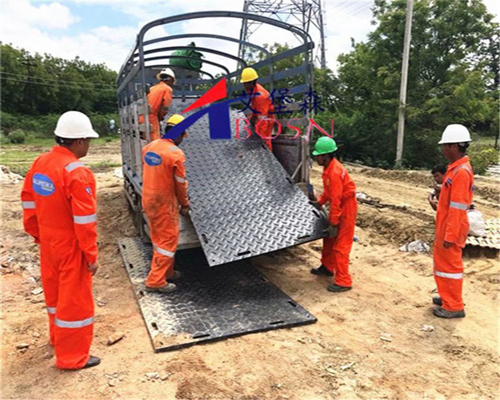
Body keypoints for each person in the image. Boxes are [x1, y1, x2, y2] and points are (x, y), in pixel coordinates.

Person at [21, 111, 100, 369]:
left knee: (55, 298)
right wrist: (90, 255)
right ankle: (72, 357)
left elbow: (28, 202)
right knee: (74, 304)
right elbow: (85, 222)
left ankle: (58, 339)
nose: (89, 144)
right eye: (88, 139)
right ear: (77, 141)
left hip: (49, 244)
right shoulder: (78, 173)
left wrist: (38, 235)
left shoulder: (41, 163)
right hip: (71, 247)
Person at [142, 114, 190, 293]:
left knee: (158, 239)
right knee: (168, 240)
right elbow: (180, 183)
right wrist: (184, 204)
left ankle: (167, 271)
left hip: (149, 198)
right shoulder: (176, 154)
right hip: (164, 202)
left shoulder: (150, 147)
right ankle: (155, 280)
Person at [432, 124, 473, 319]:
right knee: (442, 264)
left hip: (452, 226)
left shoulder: (461, 172)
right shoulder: (455, 169)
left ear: (455, 146)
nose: (443, 150)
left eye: (445, 146)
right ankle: (447, 296)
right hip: (446, 224)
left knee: (450, 267)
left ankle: (454, 305)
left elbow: (458, 208)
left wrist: (450, 234)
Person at [309, 137, 358, 292]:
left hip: (346, 208)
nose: (316, 158)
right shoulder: (328, 168)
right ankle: (328, 267)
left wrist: (333, 222)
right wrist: (319, 203)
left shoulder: (335, 172)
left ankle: (344, 281)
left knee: (341, 245)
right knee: (329, 239)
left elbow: (336, 199)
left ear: (326, 155)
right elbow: (328, 192)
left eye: (318, 155)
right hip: (340, 205)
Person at [240, 67, 275, 151]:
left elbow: (263, 119)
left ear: (251, 82)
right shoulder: (252, 90)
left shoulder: (260, 96)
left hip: (266, 121)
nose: (244, 85)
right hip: (260, 118)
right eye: (244, 83)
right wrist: (251, 119)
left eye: (246, 83)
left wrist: (261, 137)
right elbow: (255, 107)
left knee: (265, 142)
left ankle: (269, 161)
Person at [142, 68, 176, 141]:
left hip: (142, 117)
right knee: (155, 142)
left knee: (147, 141)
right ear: (169, 79)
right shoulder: (167, 89)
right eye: (172, 81)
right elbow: (165, 108)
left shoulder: (152, 88)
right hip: (151, 118)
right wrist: (160, 118)